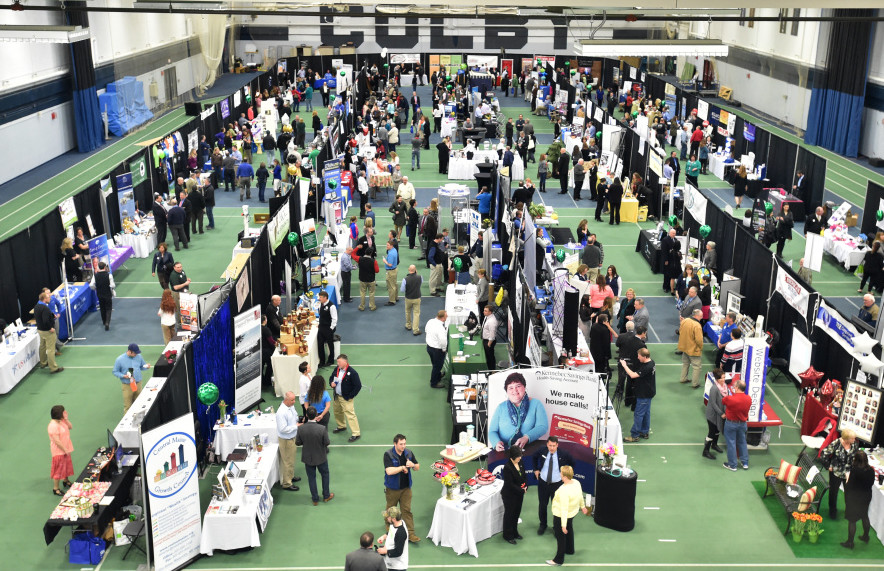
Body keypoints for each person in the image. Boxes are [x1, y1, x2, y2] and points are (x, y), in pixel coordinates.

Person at [489, 372, 549, 452]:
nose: (515, 390)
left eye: (518, 386)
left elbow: (542, 427)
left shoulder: (536, 404)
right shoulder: (501, 407)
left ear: (524, 387)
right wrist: (496, 443)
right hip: (505, 450)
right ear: (506, 391)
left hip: (529, 449)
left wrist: (526, 437)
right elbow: (492, 431)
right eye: (510, 388)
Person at [547, 465, 589, 566]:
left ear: (564, 476)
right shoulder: (576, 483)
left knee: (561, 537)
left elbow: (564, 509)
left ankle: (558, 560)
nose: (560, 474)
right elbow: (580, 496)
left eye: (561, 473)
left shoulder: (563, 490)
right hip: (572, 513)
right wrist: (583, 507)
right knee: (570, 530)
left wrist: (563, 525)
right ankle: (570, 549)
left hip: (560, 516)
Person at [532, 436, 574, 535]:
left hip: (557, 485)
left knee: (557, 507)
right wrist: (536, 469)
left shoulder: (563, 454)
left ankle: (556, 527)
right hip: (543, 483)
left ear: (557, 445)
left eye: (554, 446)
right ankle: (543, 525)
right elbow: (534, 457)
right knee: (542, 505)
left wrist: (567, 476)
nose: (551, 448)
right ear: (547, 444)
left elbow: (572, 463)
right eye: (550, 445)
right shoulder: (542, 450)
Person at [384, 434, 421, 543]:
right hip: (392, 489)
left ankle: (411, 534)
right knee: (391, 510)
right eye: (401, 444)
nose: (403, 446)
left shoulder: (408, 453)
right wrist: (402, 467)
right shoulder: (388, 454)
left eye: (404, 443)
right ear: (395, 444)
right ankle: (390, 529)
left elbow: (417, 467)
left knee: (406, 511)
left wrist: (413, 465)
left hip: (406, 489)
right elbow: (389, 471)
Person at [296, 406, 333, 505]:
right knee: (325, 475)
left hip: (308, 457)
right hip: (321, 456)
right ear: (316, 415)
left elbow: (297, 442)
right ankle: (326, 496)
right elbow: (327, 442)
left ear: (306, 415)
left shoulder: (301, 428)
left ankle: (315, 499)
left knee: (311, 478)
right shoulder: (322, 428)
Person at [820, 428, 857, 519]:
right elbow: (823, 454)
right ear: (846, 439)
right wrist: (828, 466)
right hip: (836, 472)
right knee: (833, 493)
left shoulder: (854, 444)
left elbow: (855, 457)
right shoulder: (836, 443)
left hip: (848, 472)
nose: (854, 440)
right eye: (852, 438)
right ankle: (832, 512)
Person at [621, 348, 657, 442]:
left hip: (644, 394)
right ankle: (644, 432)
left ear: (644, 357)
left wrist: (624, 365)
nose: (637, 357)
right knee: (646, 413)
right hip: (649, 392)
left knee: (639, 414)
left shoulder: (647, 367)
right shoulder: (651, 362)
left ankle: (635, 435)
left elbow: (633, 375)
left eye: (639, 356)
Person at [841, 450, 874, 549]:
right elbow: (871, 483)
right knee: (864, 516)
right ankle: (866, 536)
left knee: (852, 520)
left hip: (855, 498)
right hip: (866, 496)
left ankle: (850, 542)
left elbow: (849, 486)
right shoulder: (871, 470)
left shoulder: (855, 471)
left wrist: (847, 479)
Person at [329, 354, 362, 442]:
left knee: (350, 415)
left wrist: (351, 396)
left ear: (345, 362)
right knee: (337, 412)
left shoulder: (352, 373)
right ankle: (341, 426)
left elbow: (358, 386)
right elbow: (331, 377)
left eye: (339, 361)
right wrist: (331, 383)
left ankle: (356, 433)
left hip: (346, 398)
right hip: (337, 396)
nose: (337, 363)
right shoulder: (337, 369)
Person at [721, 379, 752, 471]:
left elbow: (723, 401)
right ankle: (745, 462)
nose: (733, 387)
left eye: (734, 386)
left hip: (731, 424)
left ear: (737, 388)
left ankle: (732, 465)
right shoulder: (748, 398)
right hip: (742, 424)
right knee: (742, 442)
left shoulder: (730, 398)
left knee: (731, 443)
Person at [113, 343, 151, 413]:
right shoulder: (119, 359)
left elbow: (142, 366)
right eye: (134, 353)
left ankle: (139, 421)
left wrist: (146, 366)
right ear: (129, 351)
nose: (136, 354)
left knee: (139, 403)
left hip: (138, 383)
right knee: (128, 406)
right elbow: (115, 372)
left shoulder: (139, 357)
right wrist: (123, 376)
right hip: (127, 385)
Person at [275, 391, 302, 492]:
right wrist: (296, 426)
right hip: (286, 440)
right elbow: (282, 429)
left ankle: (291, 476)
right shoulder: (281, 412)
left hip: (292, 437)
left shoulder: (290, 407)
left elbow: (294, 416)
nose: (294, 401)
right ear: (286, 400)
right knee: (287, 461)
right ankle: (287, 483)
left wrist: (298, 420)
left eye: (294, 399)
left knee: (291, 459)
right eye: (292, 400)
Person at [500, 445, 527, 544]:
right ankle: (508, 535)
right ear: (512, 457)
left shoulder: (520, 462)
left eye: (521, 455)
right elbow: (509, 484)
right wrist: (522, 490)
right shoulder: (507, 467)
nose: (520, 457)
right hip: (509, 495)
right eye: (518, 456)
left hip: (519, 494)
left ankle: (515, 532)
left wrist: (525, 485)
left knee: (516, 514)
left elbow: (524, 475)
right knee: (509, 515)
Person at [702, 368, 728, 460]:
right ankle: (705, 451)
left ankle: (714, 445)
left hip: (720, 413)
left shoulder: (725, 386)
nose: (724, 379)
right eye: (722, 378)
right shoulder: (714, 389)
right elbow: (713, 403)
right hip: (713, 414)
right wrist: (721, 413)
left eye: (724, 377)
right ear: (717, 379)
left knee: (718, 429)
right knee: (711, 432)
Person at [35, 292, 63, 374]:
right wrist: (50, 328)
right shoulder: (45, 308)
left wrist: (51, 315)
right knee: (51, 349)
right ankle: (53, 368)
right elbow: (45, 321)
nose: (50, 299)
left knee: (42, 347)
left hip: (40, 330)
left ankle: (43, 363)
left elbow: (40, 317)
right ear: (44, 299)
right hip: (47, 331)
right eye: (48, 297)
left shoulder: (37, 306)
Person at [48, 405, 74, 496]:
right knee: (58, 469)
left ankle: (66, 481)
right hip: (59, 451)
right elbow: (56, 441)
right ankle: (56, 489)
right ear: (59, 414)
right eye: (63, 412)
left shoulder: (62, 421)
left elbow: (70, 427)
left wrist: (66, 419)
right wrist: (64, 449)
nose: (65, 413)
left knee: (66, 466)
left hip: (66, 448)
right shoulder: (53, 426)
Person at [678, 308, 704, 388]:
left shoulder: (685, 321)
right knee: (696, 367)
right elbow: (699, 340)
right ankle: (695, 384)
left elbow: (680, 331)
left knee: (685, 364)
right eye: (701, 316)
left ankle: (683, 378)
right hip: (693, 349)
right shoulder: (697, 325)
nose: (702, 317)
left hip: (684, 347)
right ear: (696, 316)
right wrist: (700, 348)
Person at [352, 245, 379, 312]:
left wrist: (357, 248)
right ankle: (372, 306)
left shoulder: (359, 259)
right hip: (371, 280)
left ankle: (362, 306)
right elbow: (377, 271)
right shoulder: (374, 261)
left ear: (365, 252)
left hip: (362, 279)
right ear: (371, 253)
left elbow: (352, 254)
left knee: (362, 293)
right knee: (371, 293)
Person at [425, 310, 448, 389]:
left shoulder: (430, 321)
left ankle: (438, 375)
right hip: (437, 350)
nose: (447, 317)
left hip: (429, 347)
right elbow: (443, 340)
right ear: (442, 318)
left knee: (435, 364)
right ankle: (434, 383)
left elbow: (426, 330)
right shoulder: (440, 328)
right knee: (437, 366)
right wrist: (444, 349)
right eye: (446, 316)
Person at [89, 261, 115, 331]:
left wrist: (95, 288)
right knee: (109, 308)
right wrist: (109, 287)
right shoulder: (109, 275)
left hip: (100, 294)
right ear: (104, 267)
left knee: (102, 308)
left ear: (99, 267)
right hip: (107, 294)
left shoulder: (95, 275)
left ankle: (104, 321)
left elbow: (91, 285)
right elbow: (113, 285)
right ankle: (107, 322)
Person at [316, 290, 337, 367]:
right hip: (321, 328)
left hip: (328, 328)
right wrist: (319, 324)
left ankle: (331, 360)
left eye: (320, 297)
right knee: (320, 344)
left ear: (325, 298)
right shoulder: (320, 305)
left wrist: (331, 328)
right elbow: (321, 315)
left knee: (330, 345)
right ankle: (322, 361)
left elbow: (334, 319)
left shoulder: (332, 306)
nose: (319, 299)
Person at [401, 265, 422, 336]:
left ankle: (408, 325)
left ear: (408, 270)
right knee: (416, 314)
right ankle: (415, 330)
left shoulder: (405, 279)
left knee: (408, 312)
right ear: (415, 270)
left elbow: (402, 290)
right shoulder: (420, 277)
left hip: (408, 298)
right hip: (417, 298)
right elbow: (420, 284)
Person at [260, 314, 277, 388]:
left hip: (260, 350)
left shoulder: (258, 328)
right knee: (270, 365)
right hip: (267, 351)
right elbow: (271, 341)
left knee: (262, 366)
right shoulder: (266, 329)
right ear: (265, 321)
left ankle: (262, 380)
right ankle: (267, 381)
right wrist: (276, 344)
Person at [482, 305, 498, 370]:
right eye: (484, 310)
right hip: (486, 340)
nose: (483, 312)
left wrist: (489, 344)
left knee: (490, 356)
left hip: (489, 341)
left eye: (486, 311)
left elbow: (492, 333)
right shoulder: (487, 317)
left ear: (490, 312)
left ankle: (491, 370)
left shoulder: (492, 321)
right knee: (488, 356)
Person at [383, 240, 399, 306]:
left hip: (390, 271)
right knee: (394, 284)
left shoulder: (391, 254)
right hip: (394, 270)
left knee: (391, 286)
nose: (386, 246)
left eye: (388, 245)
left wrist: (384, 261)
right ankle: (396, 297)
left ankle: (392, 301)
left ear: (391, 246)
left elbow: (390, 264)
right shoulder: (394, 250)